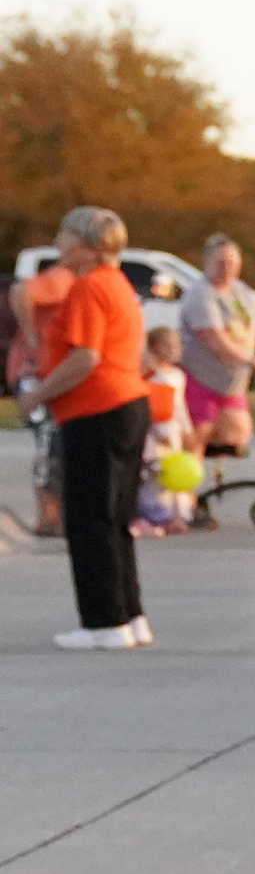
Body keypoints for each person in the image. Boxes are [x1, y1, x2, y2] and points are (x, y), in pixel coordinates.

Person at [26, 207, 153, 650]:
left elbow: (85, 358)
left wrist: (37, 393)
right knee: (115, 518)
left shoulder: (88, 287)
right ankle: (129, 614)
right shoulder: (118, 285)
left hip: (96, 411)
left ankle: (104, 622)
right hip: (126, 405)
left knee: (88, 519)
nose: (58, 242)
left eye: (64, 235)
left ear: (87, 244)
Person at [177, 234, 255, 459]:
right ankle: (187, 490)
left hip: (231, 383)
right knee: (197, 440)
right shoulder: (201, 293)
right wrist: (249, 359)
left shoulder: (240, 291)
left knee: (238, 433)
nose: (227, 269)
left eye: (233, 264)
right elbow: (213, 338)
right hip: (200, 378)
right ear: (207, 263)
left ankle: (214, 485)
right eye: (221, 263)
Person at [7, 264, 69, 535]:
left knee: (61, 445)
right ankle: (49, 516)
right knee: (50, 443)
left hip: (56, 375)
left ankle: (61, 513)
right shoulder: (63, 278)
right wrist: (32, 336)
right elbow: (20, 291)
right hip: (34, 372)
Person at [133, 324, 198, 535]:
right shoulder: (152, 375)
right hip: (155, 433)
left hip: (173, 431)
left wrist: (187, 430)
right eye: (167, 347)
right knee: (155, 475)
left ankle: (177, 514)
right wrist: (158, 433)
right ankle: (154, 516)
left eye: (176, 347)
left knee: (173, 474)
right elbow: (152, 406)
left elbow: (179, 406)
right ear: (154, 348)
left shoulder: (178, 376)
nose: (173, 352)